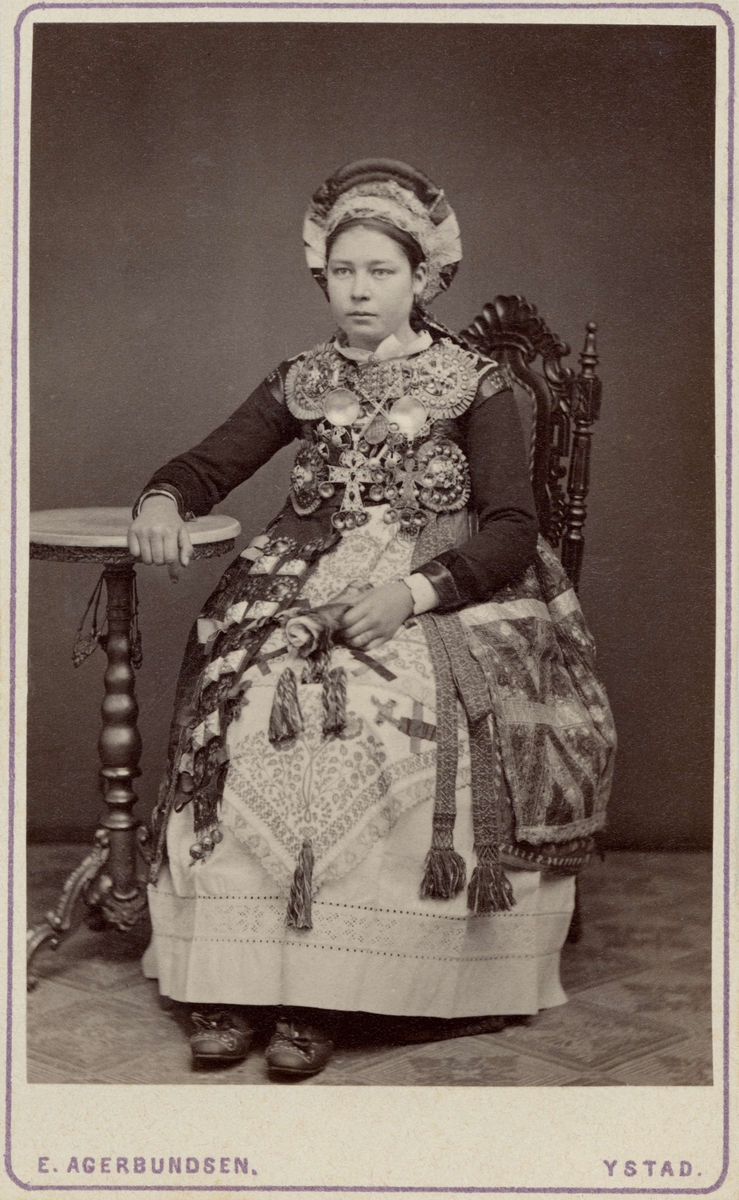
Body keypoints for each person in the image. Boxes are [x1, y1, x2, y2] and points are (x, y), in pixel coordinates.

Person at [129, 159, 616, 1079]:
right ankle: (236, 982)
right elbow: (207, 465)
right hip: (299, 589)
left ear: (422, 278)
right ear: (323, 276)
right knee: (251, 713)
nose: (358, 289)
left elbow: (512, 528)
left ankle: (324, 996)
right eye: (343, 271)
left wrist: (412, 593)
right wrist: (162, 497)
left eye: (380, 271)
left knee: (374, 726)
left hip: (439, 594)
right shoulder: (303, 379)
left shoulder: (472, 384)